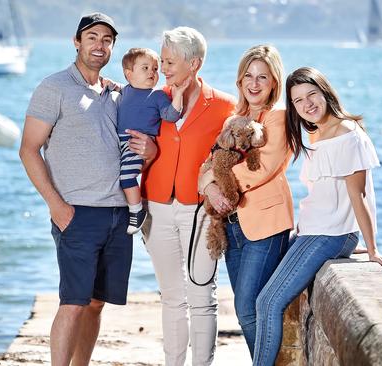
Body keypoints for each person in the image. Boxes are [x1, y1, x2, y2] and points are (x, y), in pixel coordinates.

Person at [19, 13, 155, 366]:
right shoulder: (54, 88)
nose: (99, 44)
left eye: (107, 39)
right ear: (76, 42)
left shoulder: (116, 94)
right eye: (92, 37)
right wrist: (56, 205)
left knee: (96, 303)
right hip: (76, 213)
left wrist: (151, 152)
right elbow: (29, 149)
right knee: (73, 301)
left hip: (118, 214)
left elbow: (134, 145)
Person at [252, 67, 382, 365]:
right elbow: (329, 196)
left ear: (325, 92)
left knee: (268, 302)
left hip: (327, 234)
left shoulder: (348, 136)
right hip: (315, 231)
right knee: (261, 282)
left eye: (311, 95)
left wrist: (371, 249)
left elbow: (361, 195)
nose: (307, 104)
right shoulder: (318, 133)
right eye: (298, 101)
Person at [139, 27, 235, 365]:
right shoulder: (154, 99)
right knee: (171, 296)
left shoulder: (225, 106)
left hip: (202, 213)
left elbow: (230, 158)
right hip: (157, 206)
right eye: (162, 60)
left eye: (169, 62)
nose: (163, 68)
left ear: (194, 63)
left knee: (202, 295)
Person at [197, 44, 294, 358]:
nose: (254, 83)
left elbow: (262, 169)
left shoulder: (279, 119)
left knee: (248, 308)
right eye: (248, 76)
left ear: (273, 83)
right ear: (239, 81)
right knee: (245, 311)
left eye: (262, 77)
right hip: (232, 226)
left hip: (266, 225)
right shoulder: (233, 120)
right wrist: (210, 189)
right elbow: (206, 166)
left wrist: (213, 181)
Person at [115, 47, 190, 234]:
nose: (152, 72)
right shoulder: (123, 91)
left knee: (127, 177)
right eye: (145, 68)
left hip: (137, 143)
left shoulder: (157, 96)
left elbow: (171, 115)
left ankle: (137, 211)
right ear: (129, 74)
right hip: (119, 143)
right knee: (116, 175)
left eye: (155, 69)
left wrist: (178, 95)